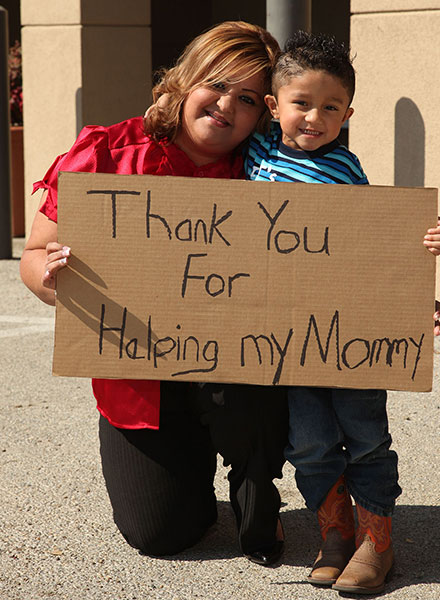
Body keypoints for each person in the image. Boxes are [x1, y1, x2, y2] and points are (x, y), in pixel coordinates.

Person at [20, 21, 288, 566]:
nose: (224, 105)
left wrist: (399, 296)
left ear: (262, 114)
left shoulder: (276, 173)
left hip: (236, 365)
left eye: (246, 98)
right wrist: (51, 280)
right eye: (215, 84)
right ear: (187, 80)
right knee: (161, 532)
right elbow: (32, 257)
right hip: (136, 370)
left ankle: (255, 484)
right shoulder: (109, 152)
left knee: (250, 400)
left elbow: (337, 260)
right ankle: (191, 474)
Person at [245, 31, 440, 594]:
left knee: (365, 434)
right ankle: (334, 531)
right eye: (301, 103)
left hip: (349, 337)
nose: (315, 117)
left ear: (348, 114)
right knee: (306, 440)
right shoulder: (254, 157)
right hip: (285, 338)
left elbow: (375, 245)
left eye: (331, 107)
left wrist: (419, 249)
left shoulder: (348, 169)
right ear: (273, 106)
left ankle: (375, 541)